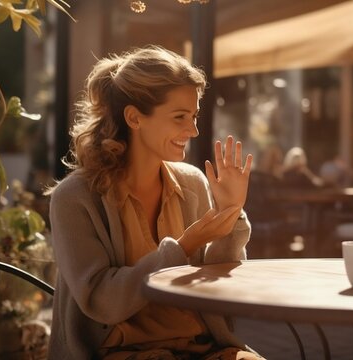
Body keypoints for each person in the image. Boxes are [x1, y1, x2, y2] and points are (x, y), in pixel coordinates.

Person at [46, 46, 261, 359]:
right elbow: (100, 300)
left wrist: (230, 214)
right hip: (120, 353)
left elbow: (216, 289)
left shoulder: (192, 183)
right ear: (134, 117)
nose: (193, 129)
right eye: (179, 117)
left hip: (202, 349)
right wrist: (183, 247)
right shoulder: (76, 197)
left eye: (194, 116)